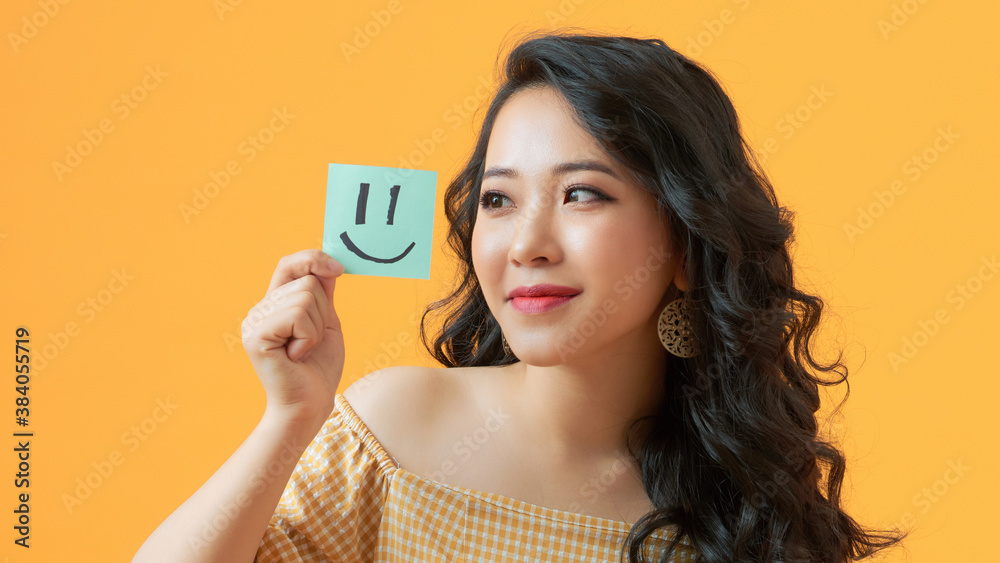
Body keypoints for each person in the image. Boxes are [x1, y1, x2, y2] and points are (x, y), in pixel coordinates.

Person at [133, 31, 906, 562]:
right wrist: (290, 419)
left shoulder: (743, 506)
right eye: (498, 201)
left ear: (683, 244)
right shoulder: (393, 432)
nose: (527, 242)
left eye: (582, 194)